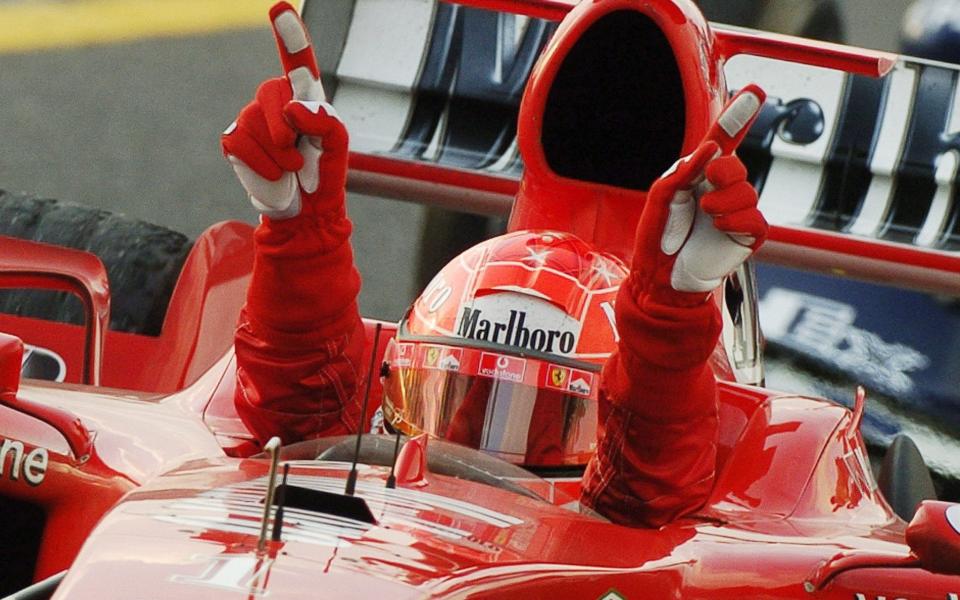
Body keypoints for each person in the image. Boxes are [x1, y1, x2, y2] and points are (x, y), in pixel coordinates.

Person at [221, 1, 767, 528]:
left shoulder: (633, 490)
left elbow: (647, 494)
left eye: (545, 422)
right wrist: (299, 234)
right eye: (457, 398)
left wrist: (671, 313)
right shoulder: (367, 433)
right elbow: (301, 427)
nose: (477, 455)